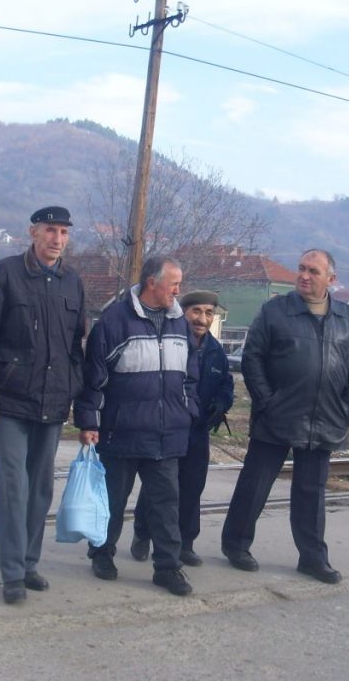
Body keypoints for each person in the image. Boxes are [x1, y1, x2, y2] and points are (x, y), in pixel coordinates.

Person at [221, 248, 349, 584]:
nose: (303, 275)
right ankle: (236, 544)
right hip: (278, 415)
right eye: (300, 268)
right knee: (255, 485)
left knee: (311, 494)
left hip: (326, 417)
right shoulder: (275, 311)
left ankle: (313, 558)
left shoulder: (346, 317)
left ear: (331, 278)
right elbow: (252, 358)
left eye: (313, 271)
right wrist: (267, 401)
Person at [0, 205, 86, 605]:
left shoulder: (72, 282)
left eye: (64, 232)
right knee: (12, 487)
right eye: (50, 230)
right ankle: (12, 572)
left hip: (52, 400)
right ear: (33, 233)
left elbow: (75, 348)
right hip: (8, 399)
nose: (58, 239)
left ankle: (30, 562)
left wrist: (78, 396)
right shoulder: (7, 273)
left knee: (40, 489)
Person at [75, 255, 199, 596]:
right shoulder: (114, 322)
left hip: (167, 434)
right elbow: (93, 380)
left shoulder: (179, 323)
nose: (178, 290)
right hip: (120, 433)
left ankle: (168, 568)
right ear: (151, 283)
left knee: (166, 506)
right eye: (173, 283)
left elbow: (191, 374)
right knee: (112, 502)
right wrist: (88, 421)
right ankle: (102, 554)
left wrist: (188, 409)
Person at [130, 290, 234, 567]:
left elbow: (226, 384)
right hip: (169, 427)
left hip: (198, 432)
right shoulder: (172, 342)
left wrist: (222, 403)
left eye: (209, 313)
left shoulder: (215, 351)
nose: (202, 319)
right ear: (184, 312)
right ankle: (142, 534)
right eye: (196, 312)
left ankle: (185, 543)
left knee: (192, 488)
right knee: (160, 488)